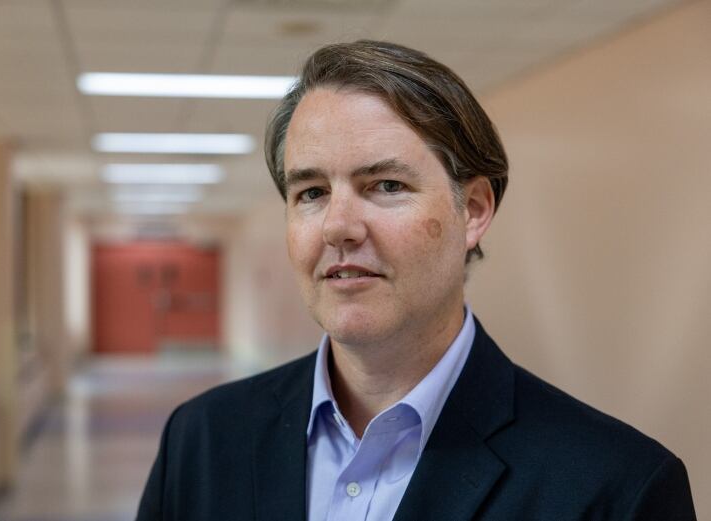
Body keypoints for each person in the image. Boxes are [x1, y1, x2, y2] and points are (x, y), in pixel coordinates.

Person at [136, 40, 696, 520]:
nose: (338, 225)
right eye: (311, 192)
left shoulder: (615, 488)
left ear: (473, 210)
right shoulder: (202, 440)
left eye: (385, 185)